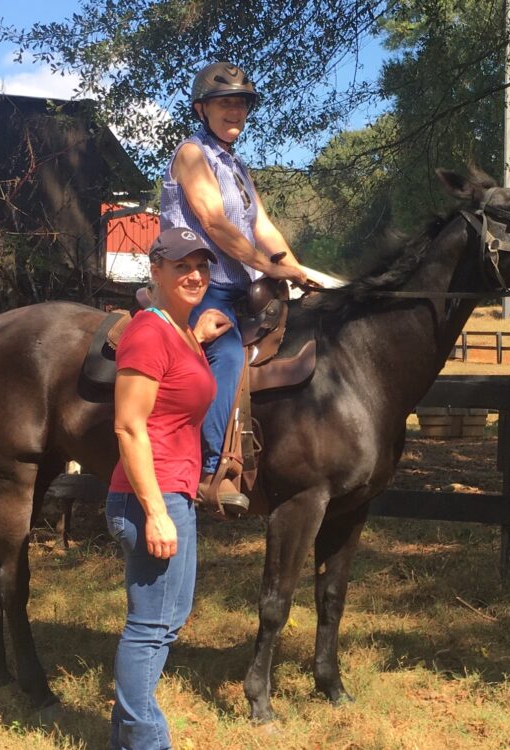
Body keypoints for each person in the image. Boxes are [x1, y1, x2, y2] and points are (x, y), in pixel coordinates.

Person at [159, 60, 308, 516]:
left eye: (242, 105)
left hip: (239, 289)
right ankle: (212, 471)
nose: (236, 112)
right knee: (224, 355)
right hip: (197, 286)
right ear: (202, 109)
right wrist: (267, 266)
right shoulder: (191, 154)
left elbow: (261, 225)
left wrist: (297, 270)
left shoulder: (238, 168)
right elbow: (213, 222)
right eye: (226, 104)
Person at [107, 227, 229, 749]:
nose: (195, 274)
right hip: (148, 498)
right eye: (181, 265)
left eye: (201, 266)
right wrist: (155, 511)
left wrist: (196, 337)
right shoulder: (148, 331)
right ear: (155, 270)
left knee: (169, 621)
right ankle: (147, 739)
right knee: (150, 627)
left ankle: (124, 739)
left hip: (172, 493)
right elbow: (129, 426)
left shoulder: (175, 332)